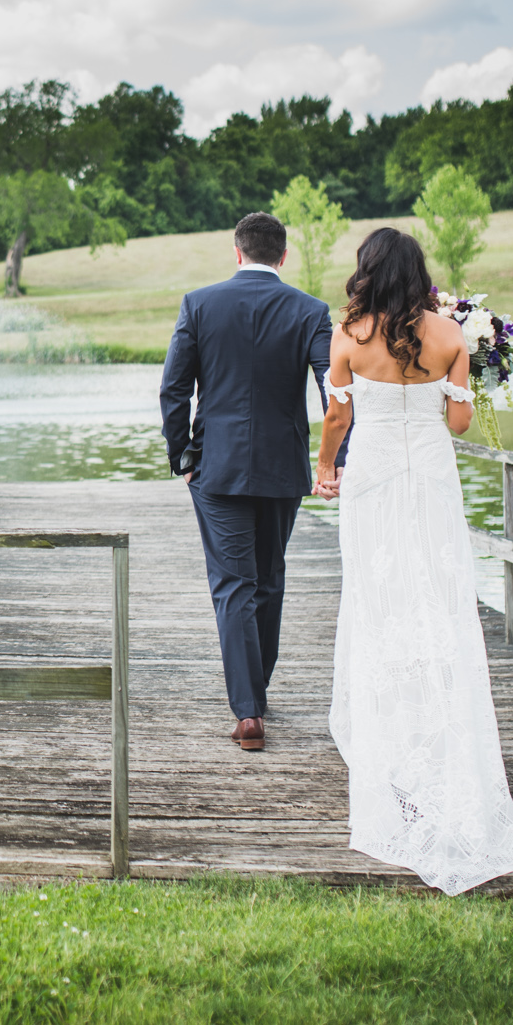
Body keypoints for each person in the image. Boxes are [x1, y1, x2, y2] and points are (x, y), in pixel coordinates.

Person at [314, 226, 513, 894]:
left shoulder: (349, 333)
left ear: (367, 271)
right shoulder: (449, 337)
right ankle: (440, 728)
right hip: (432, 480)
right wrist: (455, 386)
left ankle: (388, 743)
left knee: (378, 599)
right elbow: (460, 425)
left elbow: (335, 416)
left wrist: (326, 468)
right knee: (436, 598)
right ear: (421, 275)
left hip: (373, 478)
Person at [160, 211, 333, 752]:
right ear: (283, 257)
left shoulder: (200, 304)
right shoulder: (311, 310)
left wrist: (182, 454)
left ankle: (248, 710)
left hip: (217, 467)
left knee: (233, 584)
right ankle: (256, 691)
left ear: (238, 253)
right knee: (269, 578)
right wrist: (337, 457)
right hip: (284, 469)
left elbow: (173, 390)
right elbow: (336, 393)